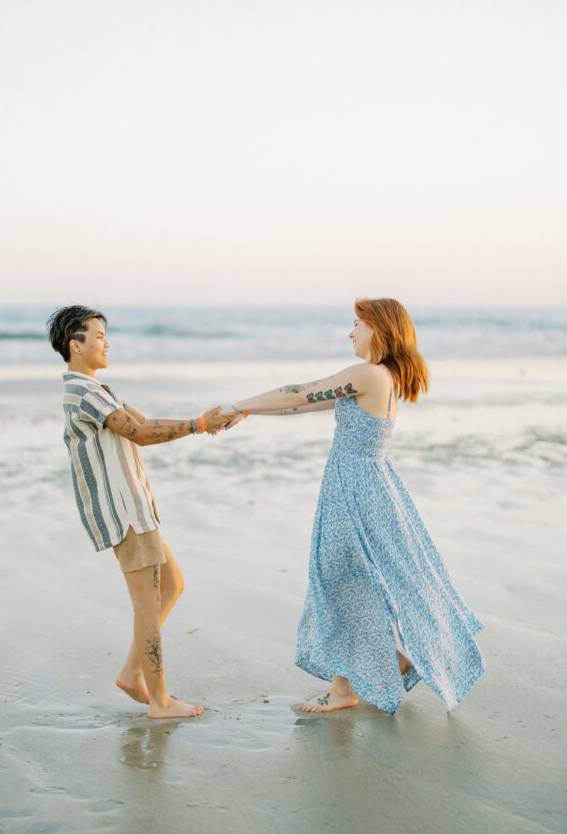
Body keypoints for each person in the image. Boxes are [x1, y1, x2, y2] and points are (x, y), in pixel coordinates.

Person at [223, 297, 485, 714]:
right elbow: (299, 403)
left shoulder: (368, 374)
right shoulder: (383, 377)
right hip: (371, 484)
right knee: (352, 577)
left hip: (356, 489)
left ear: (379, 329)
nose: (351, 332)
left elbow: (300, 391)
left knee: (340, 578)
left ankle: (346, 688)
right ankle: (393, 660)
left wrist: (237, 404)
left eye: (357, 325)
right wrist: (249, 412)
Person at [47, 305, 229, 719]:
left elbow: (144, 422)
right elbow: (141, 434)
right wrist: (199, 424)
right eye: (97, 336)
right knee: (148, 603)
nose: (106, 342)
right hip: (124, 512)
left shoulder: (99, 389)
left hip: (136, 509)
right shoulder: (84, 393)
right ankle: (160, 702)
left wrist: (201, 421)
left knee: (171, 585)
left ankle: (132, 673)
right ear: (76, 345)